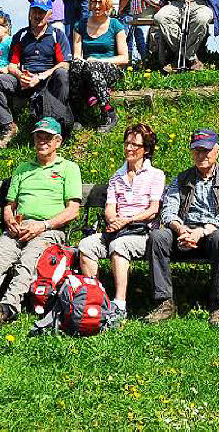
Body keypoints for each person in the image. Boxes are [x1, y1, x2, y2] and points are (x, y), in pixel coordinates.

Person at [0, 117, 82, 329]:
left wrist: (43, 225)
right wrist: (9, 219)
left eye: (47, 138)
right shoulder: (22, 169)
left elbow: (73, 210)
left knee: (28, 261)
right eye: (39, 136)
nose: (42, 141)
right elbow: (9, 204)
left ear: (58, 141)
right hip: (18, 227)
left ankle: (8, 306)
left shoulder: (69, 168)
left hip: (49, 229)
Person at [144, 129, 219, 327]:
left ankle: (218, 305)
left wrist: (202, 231)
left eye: (206, 151)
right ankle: (164, 303)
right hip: (185, 233)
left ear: (217, 151)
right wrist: (181, 229)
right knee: (158, 236)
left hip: (213, 233)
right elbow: (169, 210)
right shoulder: (181, 179)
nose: (201, 155)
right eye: (196, 150)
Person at [78, 124, 164, 322]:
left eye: (135, 145)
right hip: (117, 229)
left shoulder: (155, 175)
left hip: (141, 232)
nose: (129, 149)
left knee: (119, 246)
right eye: (127, 144)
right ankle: (96, 299)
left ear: (147, 150)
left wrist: (127, 220)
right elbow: (110, 207)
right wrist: (112, 219)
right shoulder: (117, 176)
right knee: (86, 245)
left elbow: (153, 210)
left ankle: (119, 305)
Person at [0, 0, 72, 149]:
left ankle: (57, 126)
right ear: (30, 11)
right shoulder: (21, 35)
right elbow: (12, 65)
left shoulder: (57, 35)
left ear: (50, 14)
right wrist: (21, 76)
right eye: (35, 11)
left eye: (42, 12)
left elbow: (64, 64)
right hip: (24, 80)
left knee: (62, 75)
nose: (37, 15)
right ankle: (8, 126)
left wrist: (40, 77)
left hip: (47, 80)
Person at [69, 0, 128, 132]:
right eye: (93, 2)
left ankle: (108, 112)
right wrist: (83, 62)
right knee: (76, 64)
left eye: (100, 2)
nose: (96, 6)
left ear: (106, 4)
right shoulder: (80, 25)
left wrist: (98, 61)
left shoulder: (115, 25)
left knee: (92, 67)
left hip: (110, 67)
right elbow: (77, 54)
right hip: (87, 67)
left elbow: (124, 58)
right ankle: (76, 114)